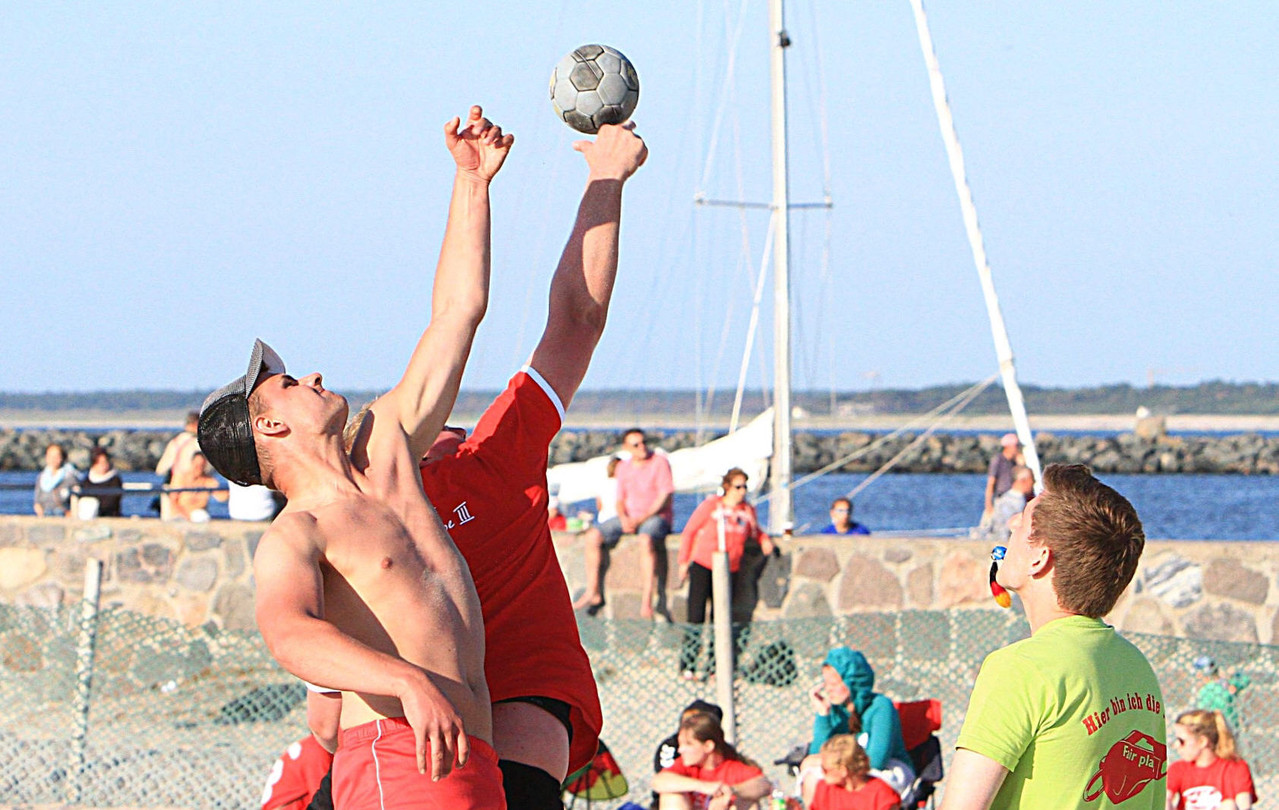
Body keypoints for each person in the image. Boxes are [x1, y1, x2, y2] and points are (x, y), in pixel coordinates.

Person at [309, 118, 647, 810]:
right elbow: (573, 322)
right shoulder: (368, 498)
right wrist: (605, 179)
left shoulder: (476, 459)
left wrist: (595, 179)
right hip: (421, 728)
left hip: (498, 710)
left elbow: (529, 319)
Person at [198, 105, 514, 809]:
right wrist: (404, 680)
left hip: (473, 759)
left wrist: (472, 184)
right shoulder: (297, 533)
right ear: (268, 426)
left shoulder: (389, 452)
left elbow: (457, 314)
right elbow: (289, 634)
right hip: (396, 759)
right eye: (288, 384)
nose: (311, 376)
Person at [941, 463, 1164, 810]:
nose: (1011, 524)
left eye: (1023, 521)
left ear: (1040, 558)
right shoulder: (1136, 666)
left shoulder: (1021, 668)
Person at [675, 467, 774, 679]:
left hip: (731, 569)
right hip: (704, 565)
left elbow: (755, 531)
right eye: (738, 487)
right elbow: (690, 531)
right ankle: (688, 665)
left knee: (720, 619)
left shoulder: (747, 511)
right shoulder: (711, 506)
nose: (742, 491)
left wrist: (765, 540)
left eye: (745, 487)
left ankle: (715, 666)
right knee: (696, 616)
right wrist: (683, 561)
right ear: (727, 487)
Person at [799, 647, 914, 798]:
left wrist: (839, 769)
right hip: (847, 771)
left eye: (834, 684)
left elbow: (877, 760)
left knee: (861, 787)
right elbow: (817, 754)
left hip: (887, 769)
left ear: (852, 683)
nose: (828, 689)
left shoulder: (881, 707)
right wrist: (823, 715)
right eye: (825, 683)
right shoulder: (835, 710)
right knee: (811, 772)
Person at [592, 428, 676, 619]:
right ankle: (593, 591)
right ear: (627, 447)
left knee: (645, 540)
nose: (642, 447)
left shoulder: (659, 462)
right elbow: (619, 499)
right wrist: (624, 518)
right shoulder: (623, 467)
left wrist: (642, 518)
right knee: (593, 536)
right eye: (636, 444)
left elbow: (664, 496)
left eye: (644, 442)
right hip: (629, 516)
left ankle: (648, 600)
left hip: (655, 517)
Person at [651, 711, 771, 810]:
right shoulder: (684, 765)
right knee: (671, 795)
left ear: (708, 746)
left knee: (747, 802)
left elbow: (764, 784)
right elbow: (658, 782)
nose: (680, 749)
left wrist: (730, 791)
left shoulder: (731, 767)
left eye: (688, 744)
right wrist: (703, 786)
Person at [1166, 708, 1255, 810]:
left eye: (1181, 741)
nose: (1176, 745)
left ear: (1202, 742)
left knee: (1229, 805)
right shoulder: (1178, 768)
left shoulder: (1235, 767)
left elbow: (1244, 805)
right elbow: (1165, 798)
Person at [572, 453, 624, 613]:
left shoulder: (604, 484)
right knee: (593, 539)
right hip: (612, 522)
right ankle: (593, 591)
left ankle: (592, 591)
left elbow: (599, 505)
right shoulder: (621, 484)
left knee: (592, 538)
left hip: (605, 522)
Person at [653, 700, 724, 810]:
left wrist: (732, 790)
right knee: (673, 795)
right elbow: (661, 781)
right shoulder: (672, 747)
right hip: (684, 801)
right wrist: (702, 786)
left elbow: (750, 781)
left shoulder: (725, 754)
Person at [807, 735, 901, 810]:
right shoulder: (824, 790)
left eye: (825, 769)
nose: (822, 772)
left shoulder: (881, 795)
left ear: (843, 771)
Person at [155, 410, 201, 520]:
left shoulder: (175, 441)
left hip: (169, 485)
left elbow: (160, 469)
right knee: (192, 519)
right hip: (188, 487)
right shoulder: (197, 443)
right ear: (195, 424)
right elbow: (200, 467)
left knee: (168, 520)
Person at [1192, 656, 1250, 733]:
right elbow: (1245, 679)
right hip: (1230, 726)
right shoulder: (1226, 684)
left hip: (1216, 729)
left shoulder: (1205, 691)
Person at [167, 451, 228, 522]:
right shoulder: (180, 478)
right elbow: (173, 501)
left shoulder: (207, 480)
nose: (198, 468)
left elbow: (222, 497)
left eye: (201, 465)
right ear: (192, 463)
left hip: (198, 515)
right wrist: (186, 516)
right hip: (181, 514)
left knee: (201, 516)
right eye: (196, 465)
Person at [980, 466, 1034, 543]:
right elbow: (1004, 527)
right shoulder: (1011, 501)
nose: (1033, 482)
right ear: (1022, 480)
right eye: (1032, 479)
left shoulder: (1010, 498)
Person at [33, 443, 80, 517]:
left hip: (62, 514)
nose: (53, 459)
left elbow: (75, 498)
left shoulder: (70, 476)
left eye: (56, 456)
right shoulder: (42, 477)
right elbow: (37, 500)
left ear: (62, 457)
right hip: (45, 514)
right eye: (50, 456)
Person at [76, 447, 123, 518]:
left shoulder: (115, 480)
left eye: (105, 462)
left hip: (109, 516)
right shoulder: (86, 481)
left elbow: (111, 502)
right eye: (99, 463)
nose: (103, 465)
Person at [982, 433, 1020, 518]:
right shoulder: (998, 460)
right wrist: (988, 505)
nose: (1018, 448)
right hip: (1001, 498)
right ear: (1008, 447)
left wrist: (1020, 464)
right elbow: (991, 483)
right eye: (1016, 446)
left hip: (1012, 498)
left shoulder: (1014, 462)